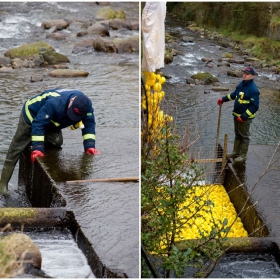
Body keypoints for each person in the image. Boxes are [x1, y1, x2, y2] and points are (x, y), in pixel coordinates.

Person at [0, 88, 99, 195]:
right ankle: (2, 185)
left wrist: (90, 146)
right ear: (71, 102)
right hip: (32, 115)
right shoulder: (55, 103)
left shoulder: (86, 106)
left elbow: (89, 124)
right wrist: (37, 148)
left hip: (52, 120)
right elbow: (38, 123)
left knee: (57, 142)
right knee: (17, 148)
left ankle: (34, 138)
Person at [217, 67, 260, 163]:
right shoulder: (241, 84)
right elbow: (234, 95)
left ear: (252, 76)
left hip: (245, 118)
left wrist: (244, 116)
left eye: (247, 74)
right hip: (236, 115)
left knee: (244, 136)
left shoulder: (253, 90)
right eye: (244, 73)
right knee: (237, 134)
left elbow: (255, 107)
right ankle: (236, 152)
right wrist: (223, 99)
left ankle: (243, 155)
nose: (244, 75)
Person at [142, 1, 166, 73]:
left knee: (149, 37)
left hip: (152, 7)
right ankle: (154, 67)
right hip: (159, 6)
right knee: (157, 34)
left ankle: (150, 69)